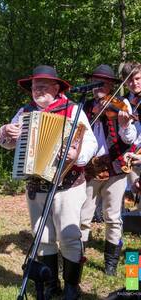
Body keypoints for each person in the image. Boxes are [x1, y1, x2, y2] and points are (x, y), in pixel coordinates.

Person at [0, 65, 98, 299]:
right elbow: (8, 143)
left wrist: (76, 156)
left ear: (56, 88)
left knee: (69, 235)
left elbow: (91, 143)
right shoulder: (24, 112)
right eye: (35, 86)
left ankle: (72, 286)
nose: (38, 90)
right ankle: (51, 283)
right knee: (43, 236)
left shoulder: (72, 110)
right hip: (36, 185)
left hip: (68, 184)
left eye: (43, 86)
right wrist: (6, 134)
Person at [80, 64, 137, 276]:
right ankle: (79, 259)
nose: (98, 87)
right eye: (95, 82)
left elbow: (128, 139)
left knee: (113, 217)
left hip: (115, 167)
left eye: (102, 82)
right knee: (83, 217)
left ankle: (111, 264)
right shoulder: (85, 106)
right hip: (90, 167)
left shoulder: (121, 105)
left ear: (112, 84)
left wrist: (125, 125)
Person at [121, 62, 141, 211]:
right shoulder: (124, 102)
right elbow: (126, 137)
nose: (134, 83)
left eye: (138, 78)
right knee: (131, 198)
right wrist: (125, 123)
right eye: (130, 80)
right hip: (131, 154)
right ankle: (131, 223)